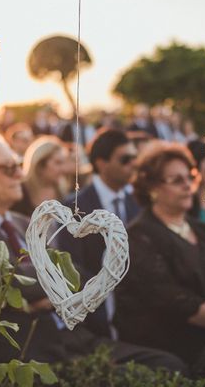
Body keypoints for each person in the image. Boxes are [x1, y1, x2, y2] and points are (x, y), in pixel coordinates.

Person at [0, 130, 186, 372]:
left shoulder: (22, 222)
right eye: (9, 168)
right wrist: (49, 288)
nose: (20, 174)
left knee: (169, 363)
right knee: (162, 371)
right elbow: (11, 282)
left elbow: (75, 273)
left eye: (18, 164)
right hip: (32, 359)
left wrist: (43, 294)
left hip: (76, 340)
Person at [114, 143, 205, 384]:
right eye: (176, 180)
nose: (188, 185)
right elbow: (171, 299)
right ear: (152, 187)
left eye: (190, 177)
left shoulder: (201, 229)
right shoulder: (139, 236)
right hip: (183, 345)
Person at [58, 128, 140, 338]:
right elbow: (73, 268)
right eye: (125, 159)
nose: (133, 164)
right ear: (102, 163)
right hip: (96, 316)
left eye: (135, 157)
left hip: (138, 309)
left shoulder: (137, 202)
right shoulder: (75, 206)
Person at [11, 135, 69, 217]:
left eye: (63, 163)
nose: (64, 169)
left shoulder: (65, 191)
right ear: (40, 164)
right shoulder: (19, 192)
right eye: (58, 163)